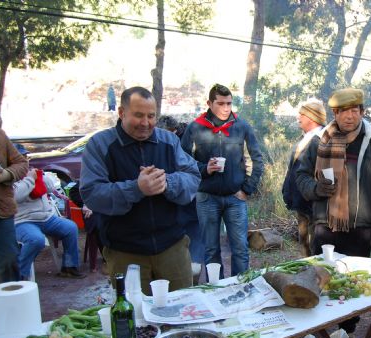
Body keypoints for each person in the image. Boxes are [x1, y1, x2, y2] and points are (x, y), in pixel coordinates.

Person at [296, 88, 371, 338]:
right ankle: (319, 325)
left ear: (362, 112)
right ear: (335, 114)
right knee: (321, 275)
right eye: (344, 112)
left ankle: (347, 330)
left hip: (360, 224)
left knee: (352, 279)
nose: (350, 116)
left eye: (355, 111)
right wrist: (316, 189)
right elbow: (302, 175)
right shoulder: (320, 140)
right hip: (324, 222)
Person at [80, 86, 201, 294]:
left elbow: (193, 176)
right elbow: (92, 193)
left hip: (172, 246)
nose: (146, 123)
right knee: (137, 318)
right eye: (138, 115)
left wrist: (167, 183)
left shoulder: (169, 141)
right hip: (125, 252)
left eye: (151, 116)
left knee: (182, 308)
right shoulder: (100, 145)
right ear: (121, 113)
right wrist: (136, 188)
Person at [180, 84, 264, 278]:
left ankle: (240, 288)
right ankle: (216, 290)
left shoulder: (241, 126)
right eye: (221, 103)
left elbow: (257, 159)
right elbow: (182, 161)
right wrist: (204, 169)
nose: (226, 108)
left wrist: (247, 189)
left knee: (241, 249)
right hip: (206, 197)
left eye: (229, 103)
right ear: (209, 103)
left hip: (235, 198)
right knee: (211, 250)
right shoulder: (195, 127)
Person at [156, 114, 205, 283]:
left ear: (174, 131)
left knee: (195, 244)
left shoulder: (185, 141)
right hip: (172, 207)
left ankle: (194, 278)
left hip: (190, 202)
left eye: (167, 133)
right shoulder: (158, 144)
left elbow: (193, 171)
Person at [14, 169, 86, 280]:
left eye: (25, 157)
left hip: (47, 217)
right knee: (36, 240)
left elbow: (50, 188)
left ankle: (69, 267)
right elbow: (17, 196)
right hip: (23, 220)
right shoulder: (10, 177)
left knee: (70, 228)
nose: (25, 161)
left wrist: (41, 176)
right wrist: (30, 179)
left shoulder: (32, 173)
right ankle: (20, 276)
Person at [282, 98, 327, 256]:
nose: (298, 117)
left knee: (316, 248)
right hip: (301, 204)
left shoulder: (324, 139)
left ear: (312, 117)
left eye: (302, 114)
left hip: (315, 206)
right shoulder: (305, 138)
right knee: (304, 246)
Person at [0, 119, 29, 284]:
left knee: (9, 260)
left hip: (1, 208)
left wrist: (5, 175)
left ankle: (11, 302)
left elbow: (21, 163)